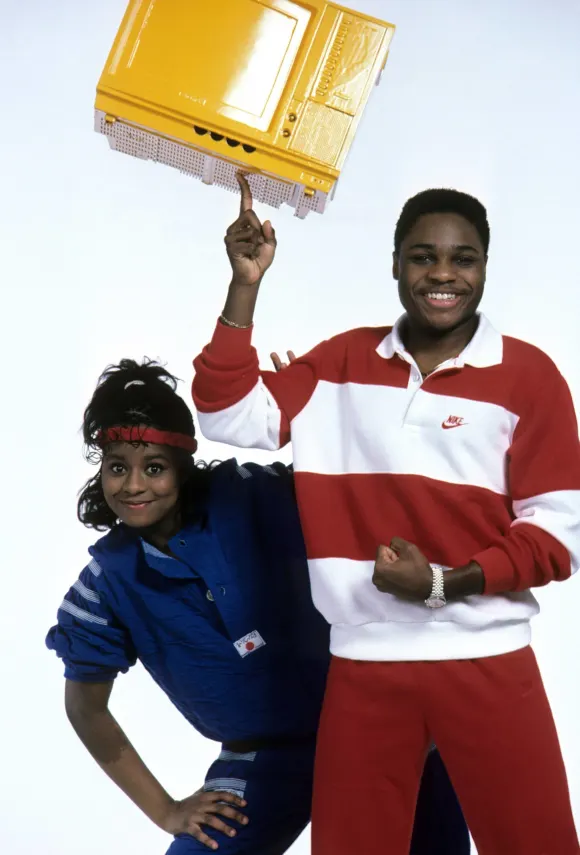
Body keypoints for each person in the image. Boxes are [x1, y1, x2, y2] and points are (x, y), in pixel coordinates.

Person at [191, 174, 580, 855]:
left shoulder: (529, 376)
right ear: (395, 264)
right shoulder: (338, 363)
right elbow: (226, 414)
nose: (443, 274)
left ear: (485, 267)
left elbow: (557, 534)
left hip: (487, 658)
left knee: (536, 845)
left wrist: (442, 583)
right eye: (423, 256)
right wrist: (244, 286)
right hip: (364, 664)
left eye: (463, 258)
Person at [46, 358, 470, 855]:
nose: (133, 485)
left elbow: (348, 491)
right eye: (118, 467)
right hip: (262, 760)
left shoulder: (252, 496)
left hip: (375, 720)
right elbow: (86, 707)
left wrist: (324, 421)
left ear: (182, 467)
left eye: (154, 468)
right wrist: (166, 810)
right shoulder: (105, 587)